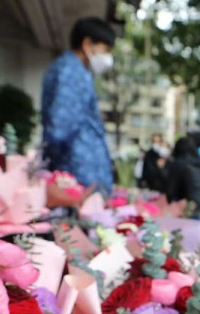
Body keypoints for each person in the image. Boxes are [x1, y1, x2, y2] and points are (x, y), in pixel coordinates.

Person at [41, 18, 116, 193]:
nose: (107, 57)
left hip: (78, 170)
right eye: (106, 50)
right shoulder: (71, 72)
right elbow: (60, 127)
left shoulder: (71, 69)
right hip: (78, 173)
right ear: (88, 44)